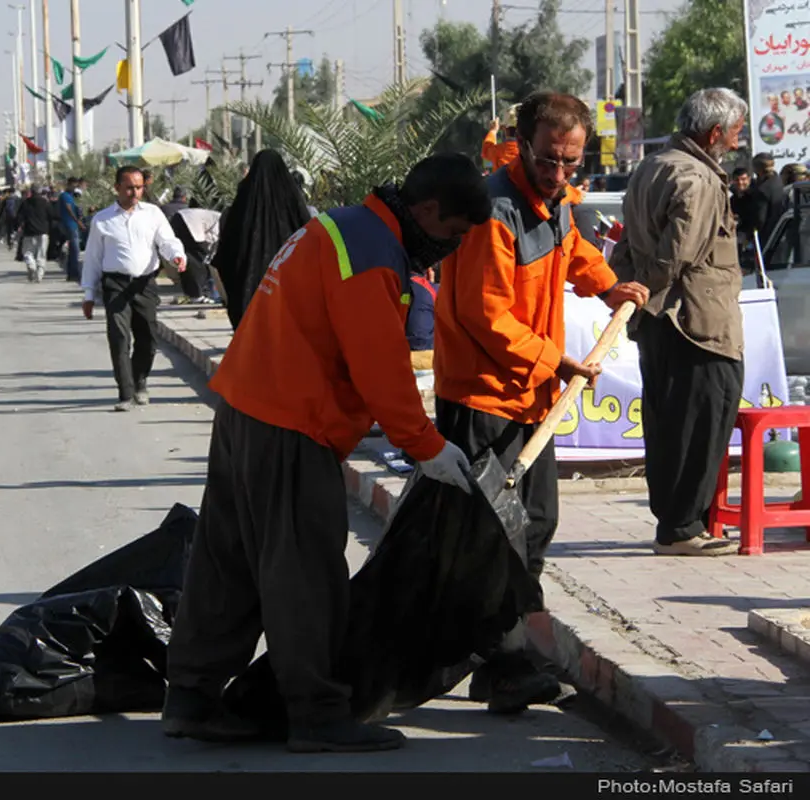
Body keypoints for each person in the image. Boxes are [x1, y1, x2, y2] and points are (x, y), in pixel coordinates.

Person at [163, 154, 486, 753]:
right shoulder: (369, 256)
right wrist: (426, 447)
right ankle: (315, 714)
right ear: (427, 211)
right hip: (291, 425)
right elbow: (380, 365)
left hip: (245, 409)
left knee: (228, 562)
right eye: (452, 235)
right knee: (304, 572)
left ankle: (191, 696)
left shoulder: (340, 226)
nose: (448, 249)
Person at [433, 91, 649, 712]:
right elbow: (484, 313)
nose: (560, 174)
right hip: (481, 396)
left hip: (531, 397)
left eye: (572, 163)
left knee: (535, 525)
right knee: (496, 534)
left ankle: (504, 645)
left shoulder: (554, 204)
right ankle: (501, 662)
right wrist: (556, 360)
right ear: (523, 146)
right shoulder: (492, 212)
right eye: (550, 160)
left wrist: (610, 287)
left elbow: (573, 252)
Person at [611, 88, 749, 557]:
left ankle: (677, 522)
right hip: (697, 322)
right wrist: (647, 290)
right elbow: (676, 255)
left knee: (669, 422)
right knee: (703, 418)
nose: (735, 142)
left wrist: (632, 293)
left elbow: (627, 246)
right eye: (734, 133)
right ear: (714, 133)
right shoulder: (700, 179)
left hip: (659, 321)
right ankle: (683, 526)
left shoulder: (651, 166)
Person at [80, 166, 185, 411]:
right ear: (117, 188)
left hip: (145, 283)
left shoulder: (153, 214)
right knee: (119, 338)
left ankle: (140, 380)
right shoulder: (103, 220)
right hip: (115, 284)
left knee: (148, 338)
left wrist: (177, 256)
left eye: (138, 187)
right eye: (129, 187)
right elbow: (93, 258)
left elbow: (167, 241)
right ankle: (125, 394)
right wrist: (88, 293)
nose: (134, 192)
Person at [212, 150, 311, 330]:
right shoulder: (291, 200)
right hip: (286, 286)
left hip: (247, 288)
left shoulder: (242, 202)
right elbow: (308, 237)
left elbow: (227, 248)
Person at [744, 153, 786, 249]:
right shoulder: (778, 181)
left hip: (768, 236)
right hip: (782, 232)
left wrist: (750, 235)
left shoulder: (763, 189)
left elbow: (760, 219)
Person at [15, 185, 52, 282]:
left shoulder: (26, 203)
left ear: (31, 192)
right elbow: (52, 215)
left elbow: (19, 217)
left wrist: (20, 226)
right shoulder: (45, 203)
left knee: (28, 252)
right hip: (43, 232)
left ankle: (31, 265)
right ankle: (39, 274)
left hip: (29, 232)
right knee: (41, 253)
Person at [59, 177, 86, 282]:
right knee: (75, 249)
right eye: (73, 185)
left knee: (73, 250)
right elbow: (69, 209)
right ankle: (74, 273)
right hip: (70, 224)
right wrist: (78, 222)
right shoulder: (65, 196)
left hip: (73, 225)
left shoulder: (72, 196)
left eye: (76, 185)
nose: (75, 187)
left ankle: (72, 274)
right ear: (69, 184)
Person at [482, 104, 521, 171]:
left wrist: (493, 131)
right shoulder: (537, 151)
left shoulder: (496, 151)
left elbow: (486, 152)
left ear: (504, 128)